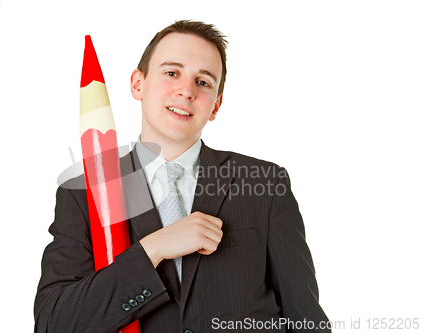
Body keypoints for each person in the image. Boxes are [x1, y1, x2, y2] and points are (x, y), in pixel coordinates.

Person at [34, 20, 331, 333]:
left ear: (215, 105)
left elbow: (306, 319)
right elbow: (54, 323)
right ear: (138, 83)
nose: (186, 91)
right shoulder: (83, 192)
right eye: (172, 72)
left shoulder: (264, 184)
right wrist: (153, 249)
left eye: (203, 82)